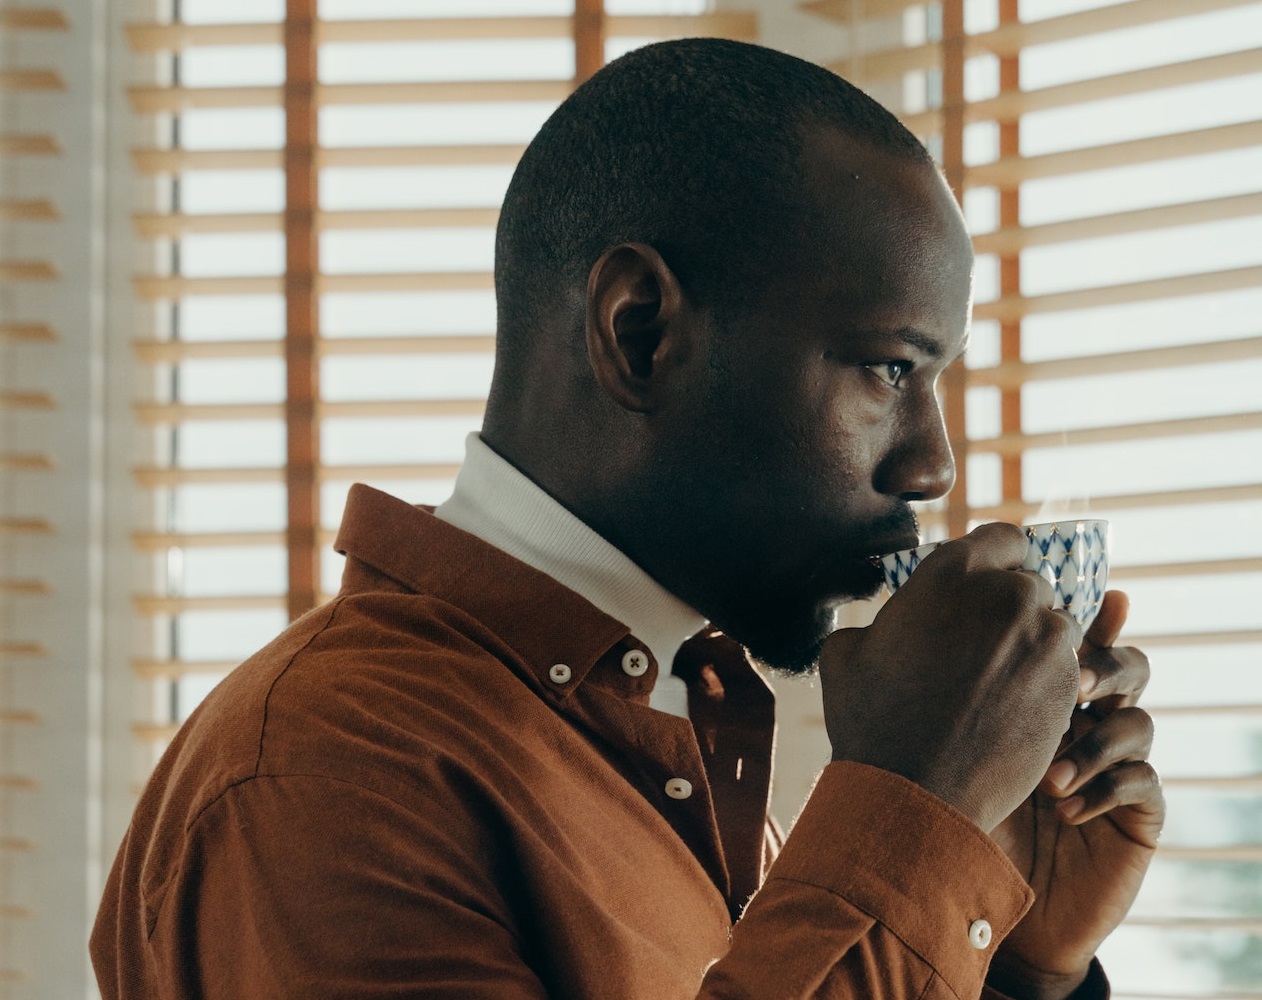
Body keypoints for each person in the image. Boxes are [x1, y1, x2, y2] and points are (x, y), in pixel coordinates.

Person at [91, 38, 1164, 999]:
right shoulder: (324, 781)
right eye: (888, 368)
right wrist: (909, 818)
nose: (931, 465)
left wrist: (1019, 960)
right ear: (639, 330)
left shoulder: (662, 721)